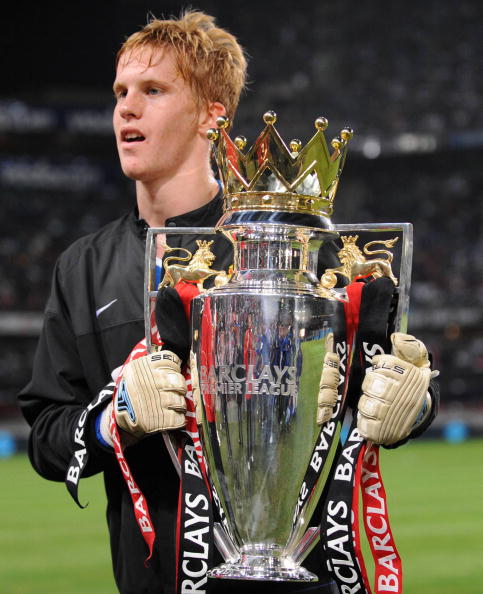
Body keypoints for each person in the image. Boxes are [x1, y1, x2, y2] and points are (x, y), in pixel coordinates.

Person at [19, 10, 438, 594]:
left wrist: (411, 406)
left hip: (298, 578)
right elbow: (45, 434)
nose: (126, 109)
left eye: (153, 90)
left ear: (212, 116)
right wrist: (113, 421)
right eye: (120, 92)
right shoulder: (83, 267)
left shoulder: (291, 248)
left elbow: (392, 382)